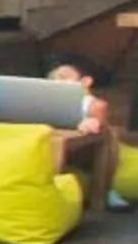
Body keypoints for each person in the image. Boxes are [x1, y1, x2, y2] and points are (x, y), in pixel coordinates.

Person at [47, 57, 121, 209]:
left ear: (85, 81)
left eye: (64, 78)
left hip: (85, 149)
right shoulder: (47, 101)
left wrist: (91, 122)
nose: (58, 82)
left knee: (111, 135)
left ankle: (104, 190)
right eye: (53, 80)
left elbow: (98, 124)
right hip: (54, 140)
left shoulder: (93, 104)